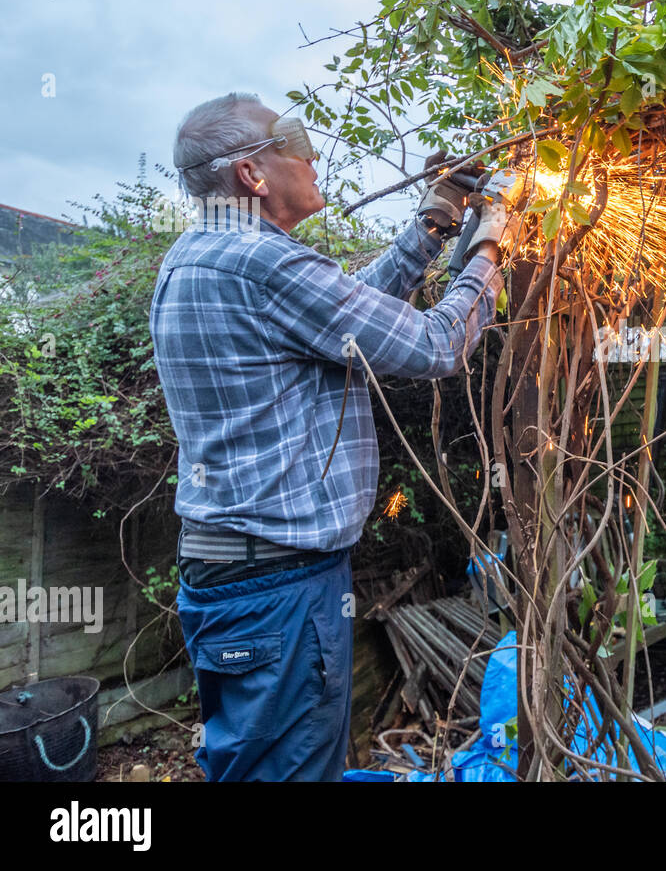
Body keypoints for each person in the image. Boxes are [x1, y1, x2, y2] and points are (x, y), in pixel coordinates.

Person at [149, 91, 507, 780]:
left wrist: (435, 222)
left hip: (244, 580)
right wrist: (491, 243)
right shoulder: (261, 263)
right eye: (292, 141)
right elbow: (436, 344)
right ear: (253, 176)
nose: (312, 154)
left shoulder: (203, 255)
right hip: (279, 590)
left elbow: (351, 317)